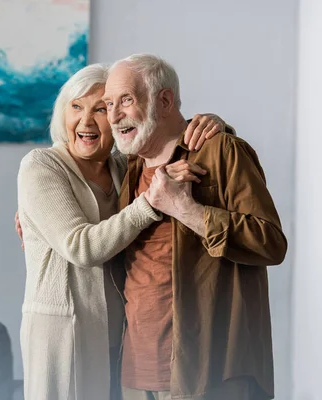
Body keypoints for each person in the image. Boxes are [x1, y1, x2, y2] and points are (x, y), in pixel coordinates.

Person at [16, 62, 229, 400]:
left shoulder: (123, 166)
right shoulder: (42, 166)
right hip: (62, 333)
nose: (86, 121)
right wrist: (151, 202)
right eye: (76, 107)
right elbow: (81, 247)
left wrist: (216, 124)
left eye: (101, 108)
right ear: (62, 113)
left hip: (119, 335)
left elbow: (166, 136)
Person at [102, 54, 287, 400]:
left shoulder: (221, 151)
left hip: (212, 370)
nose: (113, 116)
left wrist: (187, 210)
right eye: (109, 103)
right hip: (136, 373)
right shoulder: (123, 167)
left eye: (126, 100)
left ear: (165, 100)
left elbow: (271, 242)